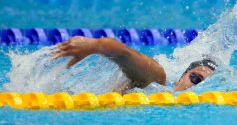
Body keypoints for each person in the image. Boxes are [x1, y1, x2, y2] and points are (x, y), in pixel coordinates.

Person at [53, 36, 218, 94]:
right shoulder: (156, 79)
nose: (195, 87)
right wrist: (95, 46)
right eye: (195, 78)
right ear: (181, 77)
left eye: (204, 85)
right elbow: (124, 53)